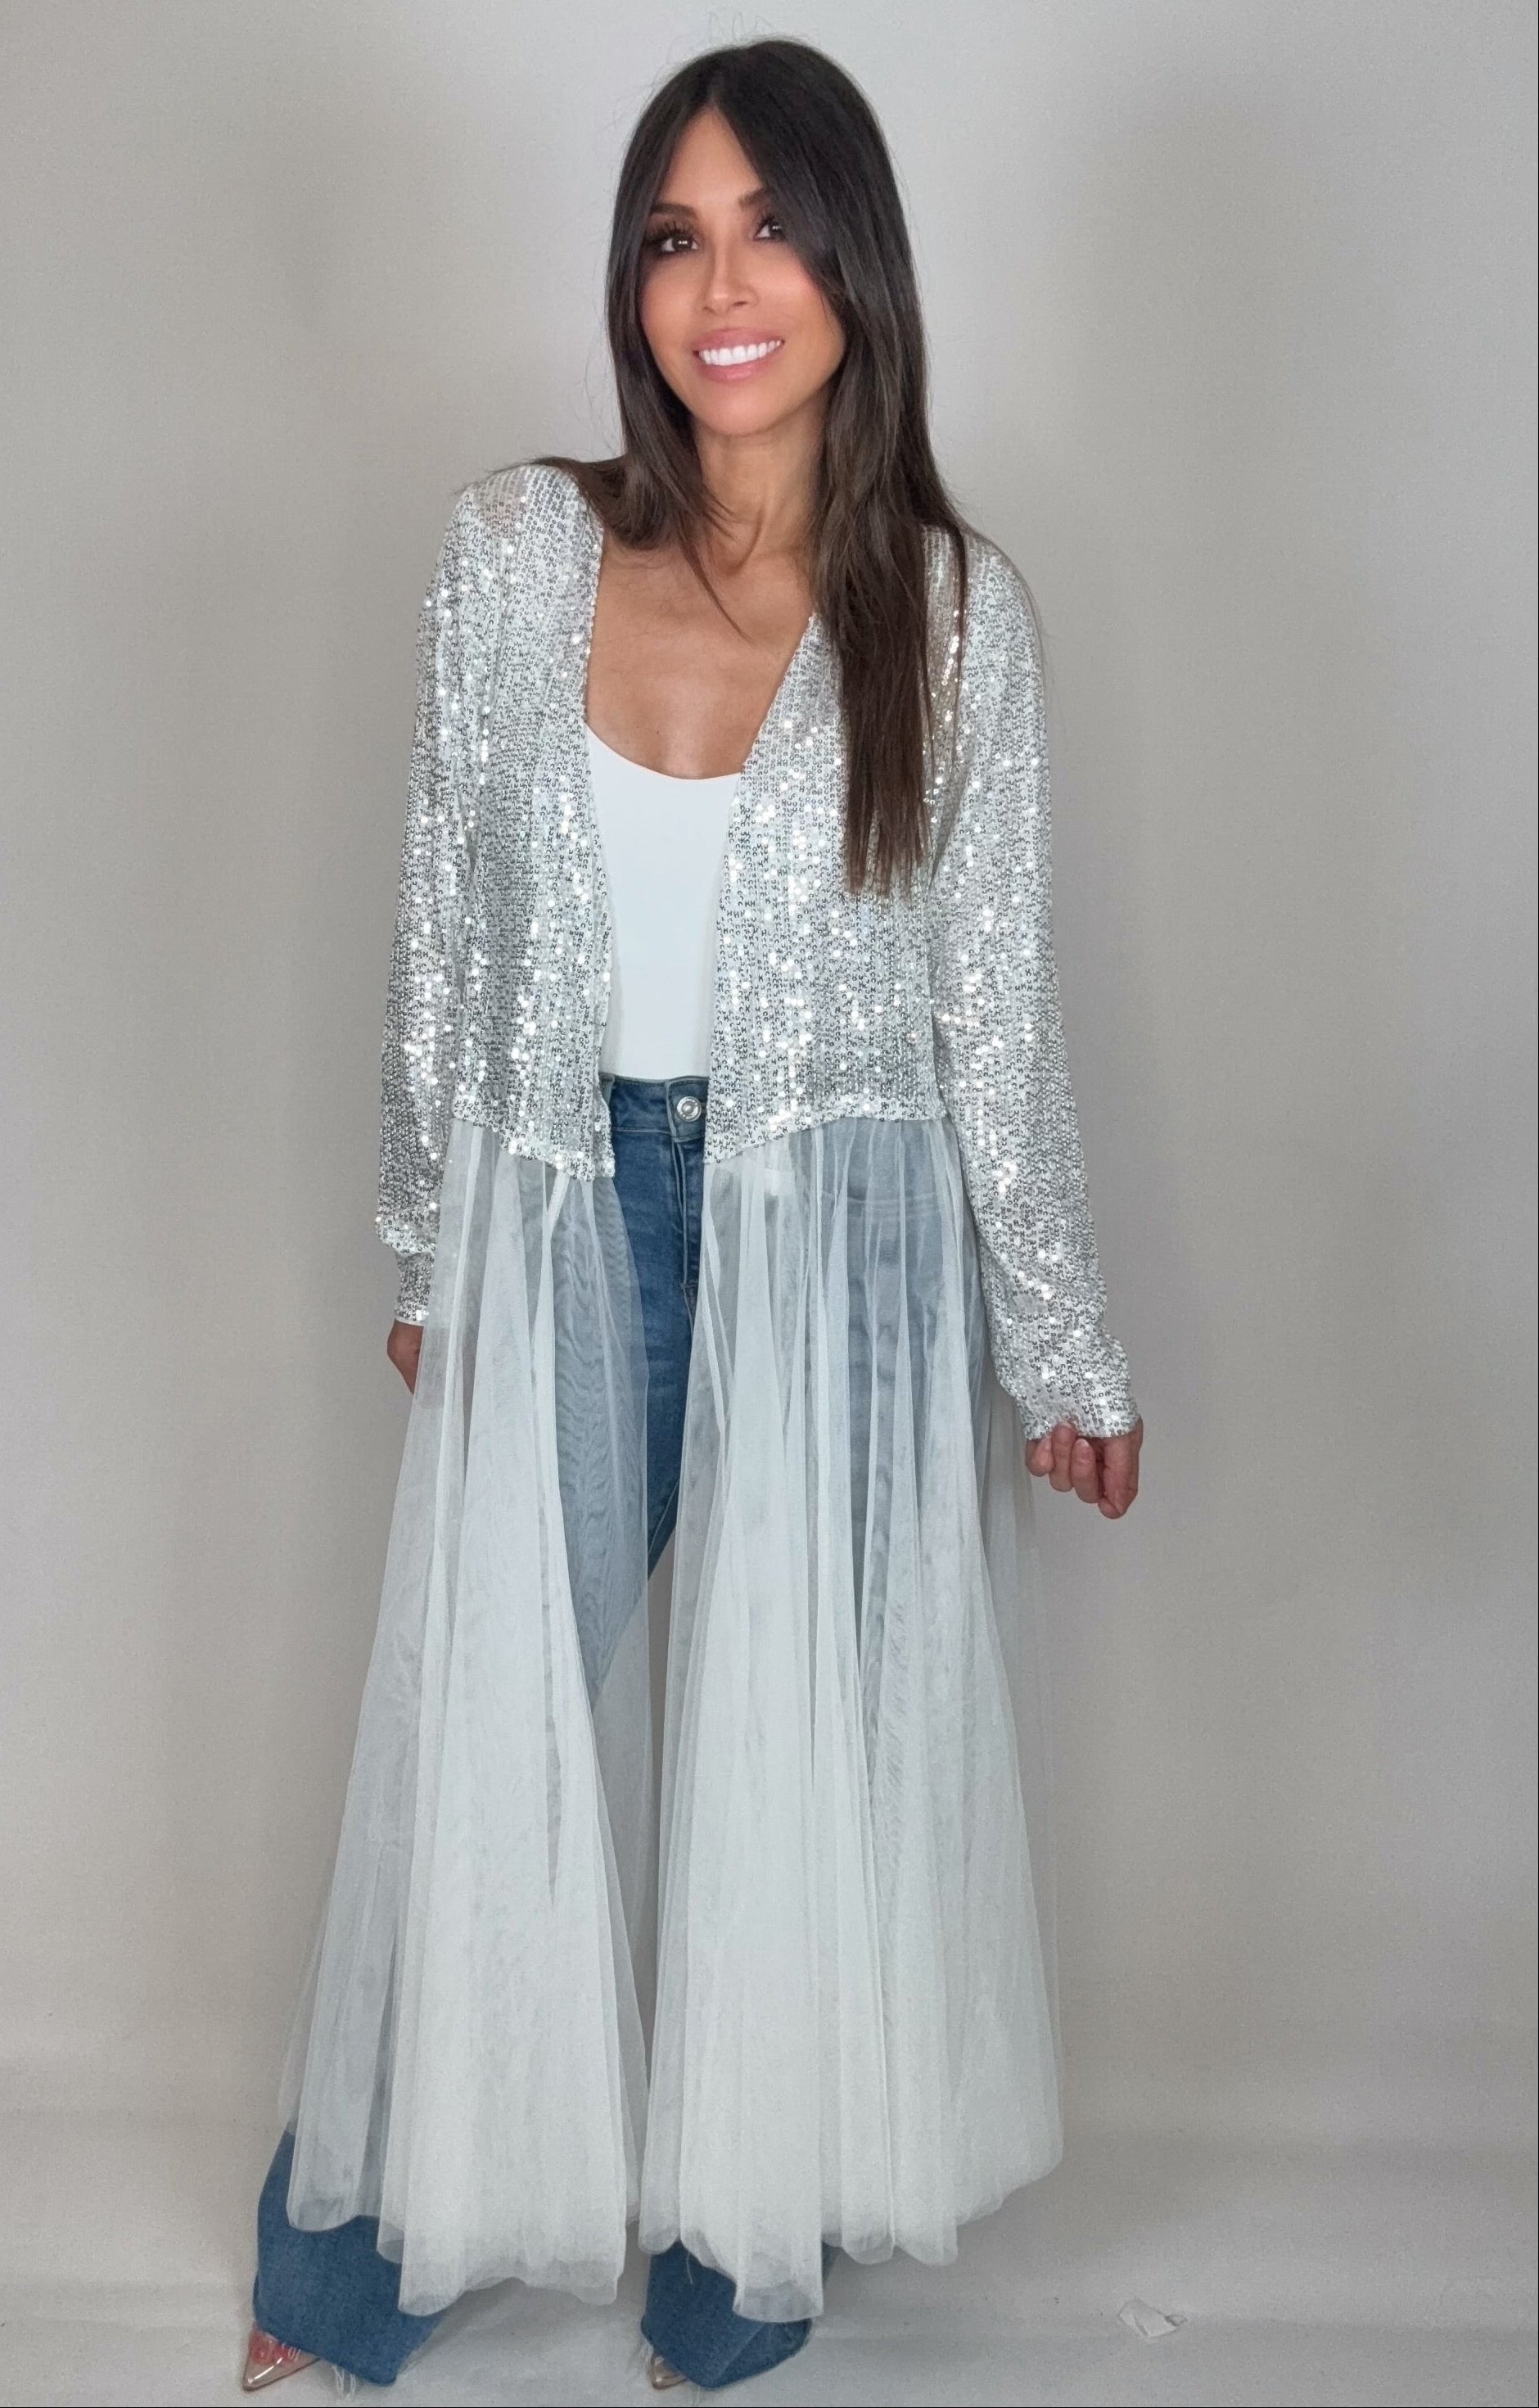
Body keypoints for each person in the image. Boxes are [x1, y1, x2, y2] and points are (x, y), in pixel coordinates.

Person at [241, 34, 1142, 2397]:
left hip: (844, 1234)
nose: (721, 288)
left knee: (802, 1766)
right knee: (493, 1728)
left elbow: (992, 1017)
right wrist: (429, 1245)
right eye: (673, 237)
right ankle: (349, 2268)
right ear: (631, 283)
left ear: (857, 267)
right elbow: (441, 934)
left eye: (769, 229)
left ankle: (736, 2274)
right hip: (571, 1209)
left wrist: (1063, 1347)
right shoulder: (512, 555)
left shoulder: (950, 616)